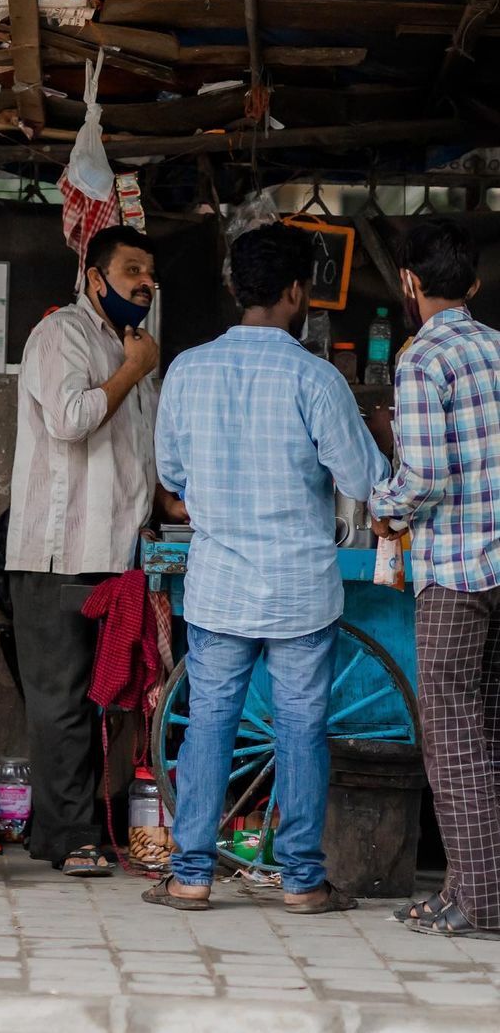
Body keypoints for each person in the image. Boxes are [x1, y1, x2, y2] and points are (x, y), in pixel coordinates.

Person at [147, 222, 388, 914]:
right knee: (301, 727)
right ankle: (303, 880)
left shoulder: (188, 370)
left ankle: (191, 873)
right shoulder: (316, 376)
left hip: (220, 583)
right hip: (300, 587)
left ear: (233, 288)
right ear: (295, 292)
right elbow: (363, 477)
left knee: (211, 722)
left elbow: (172, 474)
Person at [6, 225, 179, 877]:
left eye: (150, 273)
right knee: (62, 698)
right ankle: (73, 833)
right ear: (95, 277)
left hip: (116, 553)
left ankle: (65, 828)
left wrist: (167, 501)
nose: (144, 282)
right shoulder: (62, 336)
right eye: (131, 268)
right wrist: (134, 370)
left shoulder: (132, 348)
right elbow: (70, 421)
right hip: (59, 551)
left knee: (101, 697)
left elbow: (139, 451)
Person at [369, 217, 500, 940]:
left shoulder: (422, 360)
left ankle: (477, 899)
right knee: (490, 729)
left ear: (411, 284)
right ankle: (468, 888)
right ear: (474, 284)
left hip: (456, 571)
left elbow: (423, 476)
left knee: (451, 733)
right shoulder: (498, 349)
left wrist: (381, 508)